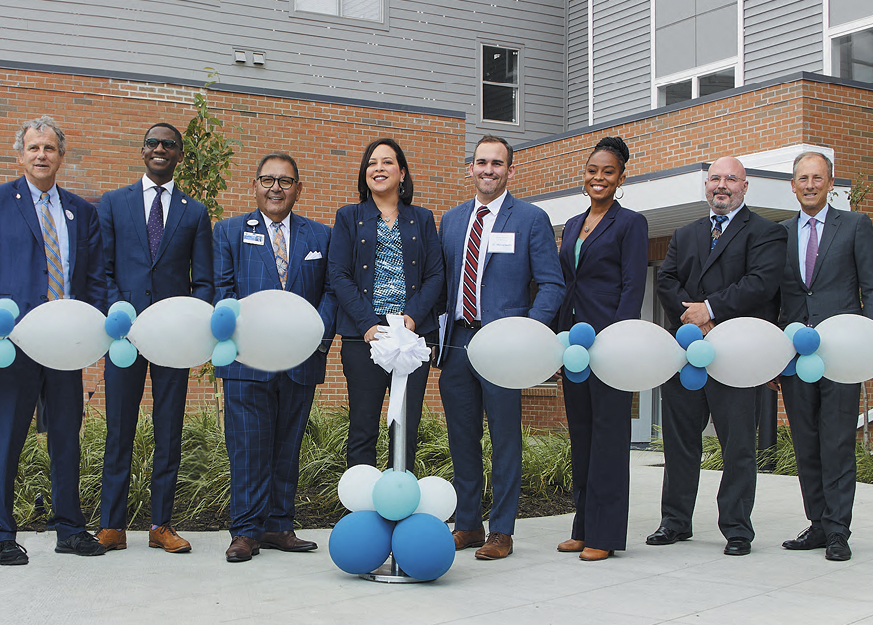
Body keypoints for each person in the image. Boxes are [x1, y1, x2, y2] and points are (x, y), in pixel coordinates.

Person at [649, 156, 787, 556]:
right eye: (714, 179)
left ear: (745, 186)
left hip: (737, 355)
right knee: (679, 444)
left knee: (738, 445)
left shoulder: (766, 232)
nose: (721, 185)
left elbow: (760, 284)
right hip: (687, 354)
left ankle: (737, 529)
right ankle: (675, 522)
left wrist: (709, 310)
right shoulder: (686, 232)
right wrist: (693, 316)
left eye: (730, 179)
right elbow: (668, 281)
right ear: (705, 186)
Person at [439, 135, 564, 560]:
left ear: (511, 171)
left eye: (497, 163)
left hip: (505, 346)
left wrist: (528, 334)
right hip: (457, 342)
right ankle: (469, 524)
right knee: (462, 437)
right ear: (470, 168)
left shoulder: (530, 218)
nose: (488, 170)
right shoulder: (452, 221)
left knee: (505, 438)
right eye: (481, 162)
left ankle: (502, 530)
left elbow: (551, 283)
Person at [94, 123, 214, 554]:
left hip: (172, 340)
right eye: (152, 143)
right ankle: (112, 525)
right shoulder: (113, 203)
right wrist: (117, 313)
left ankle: (161, 524)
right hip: (124, 338)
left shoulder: (195, 213)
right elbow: (102, 270)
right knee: (119, 429)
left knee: (169, 430)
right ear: (142, 151)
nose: (160, 149)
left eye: (169, 144)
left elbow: (203, 281)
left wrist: (189, 323)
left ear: (180, 155)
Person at [213, 152, 337, 563]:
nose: (276, 188)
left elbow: (331, 292)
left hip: (301, 360)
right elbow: (222, 291)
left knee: (288, 445)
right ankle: (246, 531)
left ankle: (280, 526)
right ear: (254, 186)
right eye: (268, 180)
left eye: (285, 181)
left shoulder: (321, 236)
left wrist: (315, 336)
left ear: (298, 189)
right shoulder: (229, 231)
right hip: (247, 362)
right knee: (249, 448)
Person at [0, 116, 108, 565]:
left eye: (49, 148)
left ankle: (69, 528)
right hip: (16, 343)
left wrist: (94, 329)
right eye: (33, 148)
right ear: (20, 155)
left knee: (66, 438)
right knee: (7, 438)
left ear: (62, 155)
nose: (41, 155)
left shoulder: (82, 212)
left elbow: (96, 279)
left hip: (66, 345)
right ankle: (3, 534)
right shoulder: (3, 201)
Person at [553, 137, 648, 561]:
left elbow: (632, 286)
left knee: (609, 440)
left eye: (608, 171)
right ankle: (583, 526)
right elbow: (565, 284)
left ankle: (605, 535)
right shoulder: (573, 224)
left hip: (608, 344)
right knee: (582, 438)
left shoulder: (631, 223)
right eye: (593, 170)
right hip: (575, 347)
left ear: (621, 177)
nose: (598, 177)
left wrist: (617, 338)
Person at [775, 152, 873, 562]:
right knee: (807, 443)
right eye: (802, 178)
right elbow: (775, 298)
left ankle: (838, 531)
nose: (810, 184)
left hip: (840, 354)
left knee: (835, 443)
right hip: (796, 357)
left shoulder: (855, 225)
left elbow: (871, 288)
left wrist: (865, 347)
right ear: (793, 186)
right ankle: (817, 524)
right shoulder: (779, 234)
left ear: (831, 183)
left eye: (817, 177)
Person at [329, 138, 443, 469]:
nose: (378, 168)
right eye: (372, 163)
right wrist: (367, 323)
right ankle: (361, 508)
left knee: (405, 427)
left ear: (403, 173)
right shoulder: (349, 217)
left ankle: (400, 500)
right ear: (365, 174)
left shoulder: (422, 218)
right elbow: (338, 274)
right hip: (363, 336)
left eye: (387, 162)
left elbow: (436, 275)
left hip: (412, 335)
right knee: (362, 427)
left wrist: (412, 318)